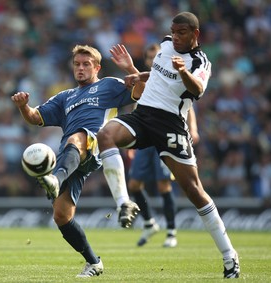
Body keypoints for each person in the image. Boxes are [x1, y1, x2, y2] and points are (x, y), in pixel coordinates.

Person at [97, 12, 240, 279]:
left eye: (181, 32)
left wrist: (184, 71)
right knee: (105, 135)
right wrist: (134, 71)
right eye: (173, 31)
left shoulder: (200, 62)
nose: (175, 36)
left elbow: (197, 90)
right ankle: (124, 203)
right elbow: (157, 75)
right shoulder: (165, 45)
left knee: (194, 190)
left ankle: (229, 254)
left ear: (195, 34)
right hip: (143, 115)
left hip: (170, 125)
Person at [11, 44, 141, 278]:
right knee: (61, 216)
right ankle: (94, 262)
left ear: (97, 67)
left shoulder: (109, 85)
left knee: (76, 136)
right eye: (77, 64)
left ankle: (55, 179)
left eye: (86, 64)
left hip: (95, 142)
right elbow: (35, 117)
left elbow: (141, 91)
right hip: (69, 156)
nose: (80, 69)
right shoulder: (65, 97)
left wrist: (131, 67)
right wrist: (23, 106)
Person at [127, 43, 200, 248]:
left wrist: (192, 129)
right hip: (145, 137)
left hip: (164, 135)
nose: (152, 60)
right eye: (149, 57)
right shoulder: (145, 78)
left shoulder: (168, 77)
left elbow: (188, 105)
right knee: (133, 184)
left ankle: (171, 231)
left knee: (163, 185)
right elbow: (137, 106)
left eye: (155, 56)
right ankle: (150, 223)